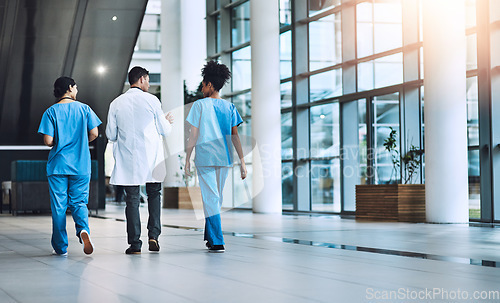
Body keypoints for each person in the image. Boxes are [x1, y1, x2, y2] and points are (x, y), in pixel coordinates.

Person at [106, 66, 174, 254]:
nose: (149, 84)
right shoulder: (152, 100)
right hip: (152, 158)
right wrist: (167, 121)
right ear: (142, 79)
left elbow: (110, 134)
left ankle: (135, 244)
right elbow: (164, 130)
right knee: (154, 195)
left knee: (132, 200)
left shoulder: (116, 103)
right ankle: (153, 236)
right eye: (148, 80)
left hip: (129, 160)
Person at [185, 61, 247, 253]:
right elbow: (235, 136)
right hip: (225, 158)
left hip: (205, 158)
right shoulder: (229, 107)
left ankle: (217, 241)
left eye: (203, 85)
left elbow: (193, 135)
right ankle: (211, 237)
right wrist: (242, 162)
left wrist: (187, 158)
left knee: (212, 199)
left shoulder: (199, 105)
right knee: (215, 199)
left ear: (210, 85)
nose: (202, 88)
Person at [38, 76, 101, 256]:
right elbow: (94, 133)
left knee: (58, 206)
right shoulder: (85, 109)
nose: (77, 91)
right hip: (81, 164)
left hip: (58, 165)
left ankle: (60, 247)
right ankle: (83, 230)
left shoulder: (50, 112)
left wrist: (59, 143)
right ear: (70, 88)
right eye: (76, 88)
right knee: (79, 202)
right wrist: (81, 141)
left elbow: (48, 140)